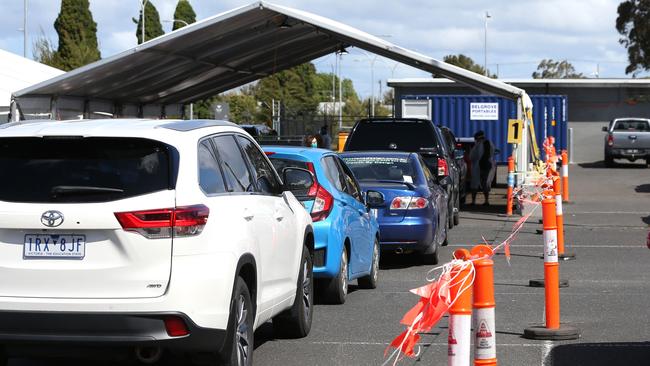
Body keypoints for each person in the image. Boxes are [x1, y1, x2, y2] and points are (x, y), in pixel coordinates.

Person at [469, 130, 496, 206]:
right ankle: (485, 201)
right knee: (485, 183)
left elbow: (475, 156)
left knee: (477, 184)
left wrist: (481, 164)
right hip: (485, 165)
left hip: (481, 165)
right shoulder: (488, 143)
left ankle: (475, 201)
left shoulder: (481, 144)